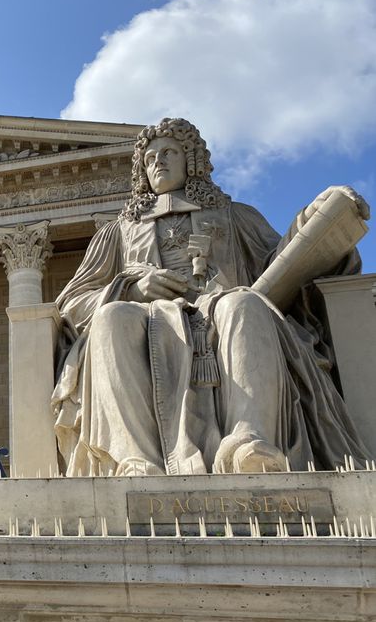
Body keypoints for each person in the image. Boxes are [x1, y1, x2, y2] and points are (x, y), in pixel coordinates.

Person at [52, 117, 370, 476]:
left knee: (244, 303)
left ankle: (249, 442)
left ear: (192, 161)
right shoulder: (117, 233)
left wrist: (313, 222)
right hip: (150, 324)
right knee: (112, 318)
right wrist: (130, 288)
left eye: (169, 152)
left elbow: (280, 265)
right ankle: (134, 459)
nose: (158, 161)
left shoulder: (236, 217)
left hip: (221, 312)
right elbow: (73, 303)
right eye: (150, 157)